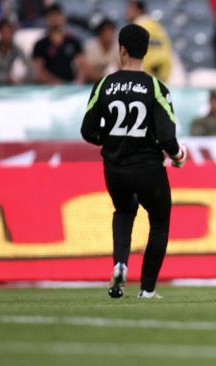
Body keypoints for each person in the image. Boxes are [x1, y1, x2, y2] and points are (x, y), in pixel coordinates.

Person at [80, 23, 187, 299]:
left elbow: (87, 131)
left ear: (122, 50)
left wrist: (112, 140)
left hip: (114, 169)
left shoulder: (104, 84)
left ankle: (120, 265)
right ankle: (147, 289)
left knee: (124, 211)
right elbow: (166, 136)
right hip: (148, 168)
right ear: (145, 51)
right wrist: (178, 155)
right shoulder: (156, 87)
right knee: (159, 221)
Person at [32, 3, 86, 84]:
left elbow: (82, 66)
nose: (55, 18)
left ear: (63, 18)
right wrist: (57, 83)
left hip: (71, 85)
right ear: (46, 19)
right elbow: (38, 72)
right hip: (48, 86)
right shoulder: (40, 44)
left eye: (57, 15)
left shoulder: (73, 42)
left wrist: (78, 82)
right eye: (51, 15)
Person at [125, 0, 173, 82]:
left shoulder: (138, 25)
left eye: (130, 9)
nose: (127, 12)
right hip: (163, 68)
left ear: (139, 10)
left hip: (148, 70)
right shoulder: (155, 24)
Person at [0, 18, 30, 85]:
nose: (7, 35)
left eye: (10, 32)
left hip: (10, 86)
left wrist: (22, 79)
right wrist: (7, 78)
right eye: (5, 32)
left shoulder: (17, 49)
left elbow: (29, 66)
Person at [84, 18, 119, 83]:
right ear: (100, 33)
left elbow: (122, 67)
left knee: (112, 68)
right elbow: (88, 69)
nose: (109, 35)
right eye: (105, 31)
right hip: (93, 81)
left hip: (113, 81)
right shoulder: (91, 45)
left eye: (111, 31)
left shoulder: (118, 47)